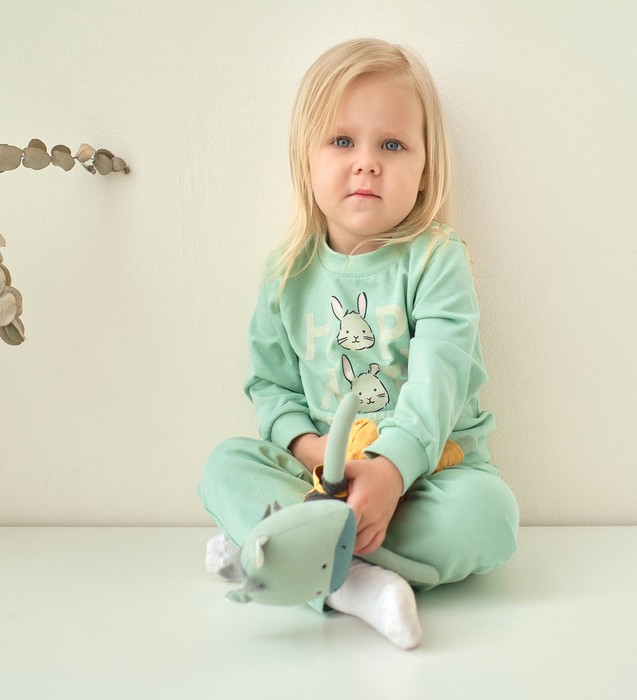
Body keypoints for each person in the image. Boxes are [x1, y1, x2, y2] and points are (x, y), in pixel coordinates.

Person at [199, 38, 519, 650]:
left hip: (427, 477)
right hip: (321, 479)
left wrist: (391, 472)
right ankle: (353, 581)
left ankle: (290, 556)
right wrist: (313, 449)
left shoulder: (436, 259)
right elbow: (271, 387)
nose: (367, 163)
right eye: (343, 141)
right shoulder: (286, 274)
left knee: (492, 515)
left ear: (425, 170)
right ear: (306, 159)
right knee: (225, 467)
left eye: (392, 145)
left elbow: (440, 380)